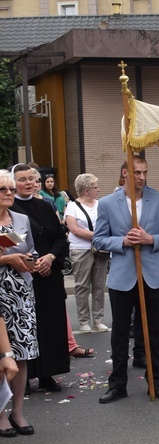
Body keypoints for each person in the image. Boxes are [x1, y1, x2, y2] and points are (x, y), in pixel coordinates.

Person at [93, 156, 159, 403]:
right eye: (137, 172)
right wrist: (123, 241)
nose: (141, 177)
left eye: (145, 172)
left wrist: (150, 239)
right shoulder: (108, 203)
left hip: (152, 274)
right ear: (125, 173)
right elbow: (98, 240)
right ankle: (118, 384)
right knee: (120, 333)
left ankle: (157, 381)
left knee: (154, 332)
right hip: (122, 276)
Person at [10, 164, 70, 394]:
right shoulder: (8, 208)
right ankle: (23, 379)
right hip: (24, 275)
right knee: (26, 328)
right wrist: (34, 263)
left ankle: (47, 374)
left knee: (50, 325)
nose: (28, 183)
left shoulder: (44, 206)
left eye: (31, 179)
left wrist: (51, 257)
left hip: (49, 274)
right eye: (22, 179)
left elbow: (60, 237)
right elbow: (11, 244)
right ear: (13, 183)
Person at [0, 170, 39, 436]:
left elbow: (30, 249)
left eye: (11, 189)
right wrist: (7, 259)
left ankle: (18, 411)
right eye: (3, 189)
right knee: (2, 356)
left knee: (22, 354)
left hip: (21, 292)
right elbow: (11, 254)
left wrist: (32, 260)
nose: (9, 194)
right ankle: (1, 414)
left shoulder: (21, 219)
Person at [64, 173, 109, 333]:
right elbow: (74, 229)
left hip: (100, 249)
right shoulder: (72, 206)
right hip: (81, 249)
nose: (98, 189)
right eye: (95, 187)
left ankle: (98, 320)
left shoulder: (101, 204)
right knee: (82, 286)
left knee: (99, 285)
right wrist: (99, 236)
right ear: (86, 190)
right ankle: (84, 321)